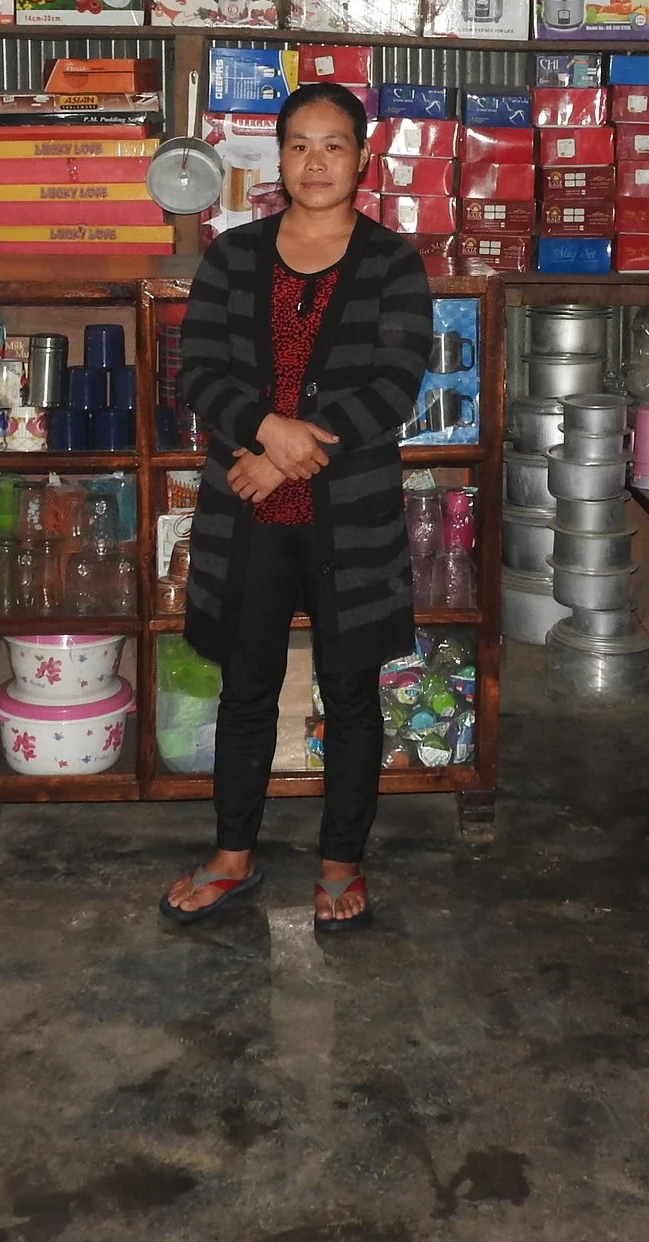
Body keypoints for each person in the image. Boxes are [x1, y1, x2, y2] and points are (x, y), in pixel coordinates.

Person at [162, 82, 432, 933]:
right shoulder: (232, 255)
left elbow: (393, 388)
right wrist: (269, 431)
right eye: (299, 146)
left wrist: (285, 462)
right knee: (247, 684)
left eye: (335, 145)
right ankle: (233, 852)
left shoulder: (392, 262)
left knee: (351, 690)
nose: (316, 162)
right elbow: (197, 372)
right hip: (246, 510)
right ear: (276, 158)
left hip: (344, 507)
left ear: (363, 158)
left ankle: (342, 860)